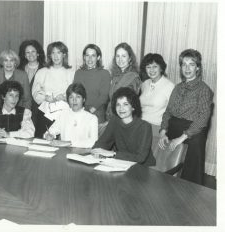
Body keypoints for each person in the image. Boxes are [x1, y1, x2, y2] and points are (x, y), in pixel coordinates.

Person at [158, 49, 214, 185]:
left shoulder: (204, 90)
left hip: (192, 134)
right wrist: (163, 132)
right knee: (163, 177)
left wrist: (181, 138)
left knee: (188, 182)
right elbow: (167, 113)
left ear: (198, 68)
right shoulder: (177, 88)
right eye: (184, 64)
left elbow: (202, 119)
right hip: (172, 130)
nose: (187, 68)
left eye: (191, 64)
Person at [92, 87, 155, 166]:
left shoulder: (145, 127)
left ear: (133, 107)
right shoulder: (114, 121)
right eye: (118, 105)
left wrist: (113, 154)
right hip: (122, 164)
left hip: (144, 167)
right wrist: (96, 150)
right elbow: (103, 142)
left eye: (125, 104)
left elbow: (140, 158)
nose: (121, 108)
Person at [32, 41, 75, 138]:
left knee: (63, 141)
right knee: (42, 140)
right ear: (49, 55)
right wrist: (45, 98)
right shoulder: (42, 72)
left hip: (64, 112)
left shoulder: (71, 72)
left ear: (64, 55)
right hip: (45, 112)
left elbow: (74, 92)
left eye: (59, 53)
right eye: (53, 53)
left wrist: (64, 97)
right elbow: (35, 92)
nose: (56, 56)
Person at [44, 83, 98, 148]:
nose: (74, 100)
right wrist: (49, 135)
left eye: (78, 97)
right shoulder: (63, 114)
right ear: (68, 100)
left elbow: (93, 142)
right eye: (71, 97)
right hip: (64, 153)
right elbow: (51, 131)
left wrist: (69, 143)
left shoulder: (92, 118)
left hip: (83, 154)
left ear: (83, 99)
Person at [0, 49, 31, 115]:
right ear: (2, 62)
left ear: (15, 62)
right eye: (6, 60)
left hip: (18, 112)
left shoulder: (23, 75)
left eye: (11, 60)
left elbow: (27, 99)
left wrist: (23, 114)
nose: (8, 63)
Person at [73, 44, 111, 123]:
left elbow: (104, 96)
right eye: (87, 55)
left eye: (93, 55)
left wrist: (90, 111)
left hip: (97, 111)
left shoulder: (105, 73)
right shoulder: (78, 73)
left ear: (98, 57)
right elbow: (75, 93)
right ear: (84, 57)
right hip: (80, 109)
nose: (90, 59)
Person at [139, 53, 175, 137]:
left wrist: (164, 130)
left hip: (156, 128)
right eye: (148, 67)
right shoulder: (145, 84)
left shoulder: (170, 86)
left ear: (161, 68)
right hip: (140, 125)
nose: (151, 70)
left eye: (155, 66)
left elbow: (172, 113)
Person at [106, 42, 141, 120]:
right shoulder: (115, 76)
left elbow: (128, 104)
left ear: (130, 58)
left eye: (124, 56)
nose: (120, 59)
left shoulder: (133, 77)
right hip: (111, 116)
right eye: (118, 56)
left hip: (122, 118)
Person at [18, 40, 46, 132]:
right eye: (27, 52)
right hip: (22, 107)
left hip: (39, 109)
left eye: (33, 51)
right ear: (24, 55)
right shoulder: (19, 70)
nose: (31, 54)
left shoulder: (45, 69)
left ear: (38, 53)